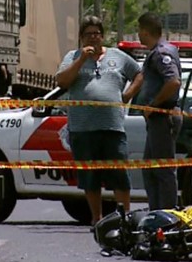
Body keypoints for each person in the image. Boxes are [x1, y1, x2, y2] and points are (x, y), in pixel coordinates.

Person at [56, 15, 143, 227]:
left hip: (112, 126)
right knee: (90, 178)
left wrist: (127, 95)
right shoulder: (73, 56)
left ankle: (125, 219)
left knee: (119, 176)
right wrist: (81, 60)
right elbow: (62, 81)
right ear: (81, 38)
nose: (93, 38)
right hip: (82, 128)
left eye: (96, 34)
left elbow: (140, 74)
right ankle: (97, 218)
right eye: (88, 35)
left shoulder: (117, 56)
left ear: (102, 36)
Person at [136, 12, 183, 210]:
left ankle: (167, 215)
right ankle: (156, 211)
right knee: (149, 168)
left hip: (162, 116)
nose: (138, 35)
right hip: (157, 118)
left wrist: (153, 105)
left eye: (139, 31)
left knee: (163, 170)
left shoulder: (161, 54)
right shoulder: (160, 51)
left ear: (145, 32)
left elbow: (173, 82)